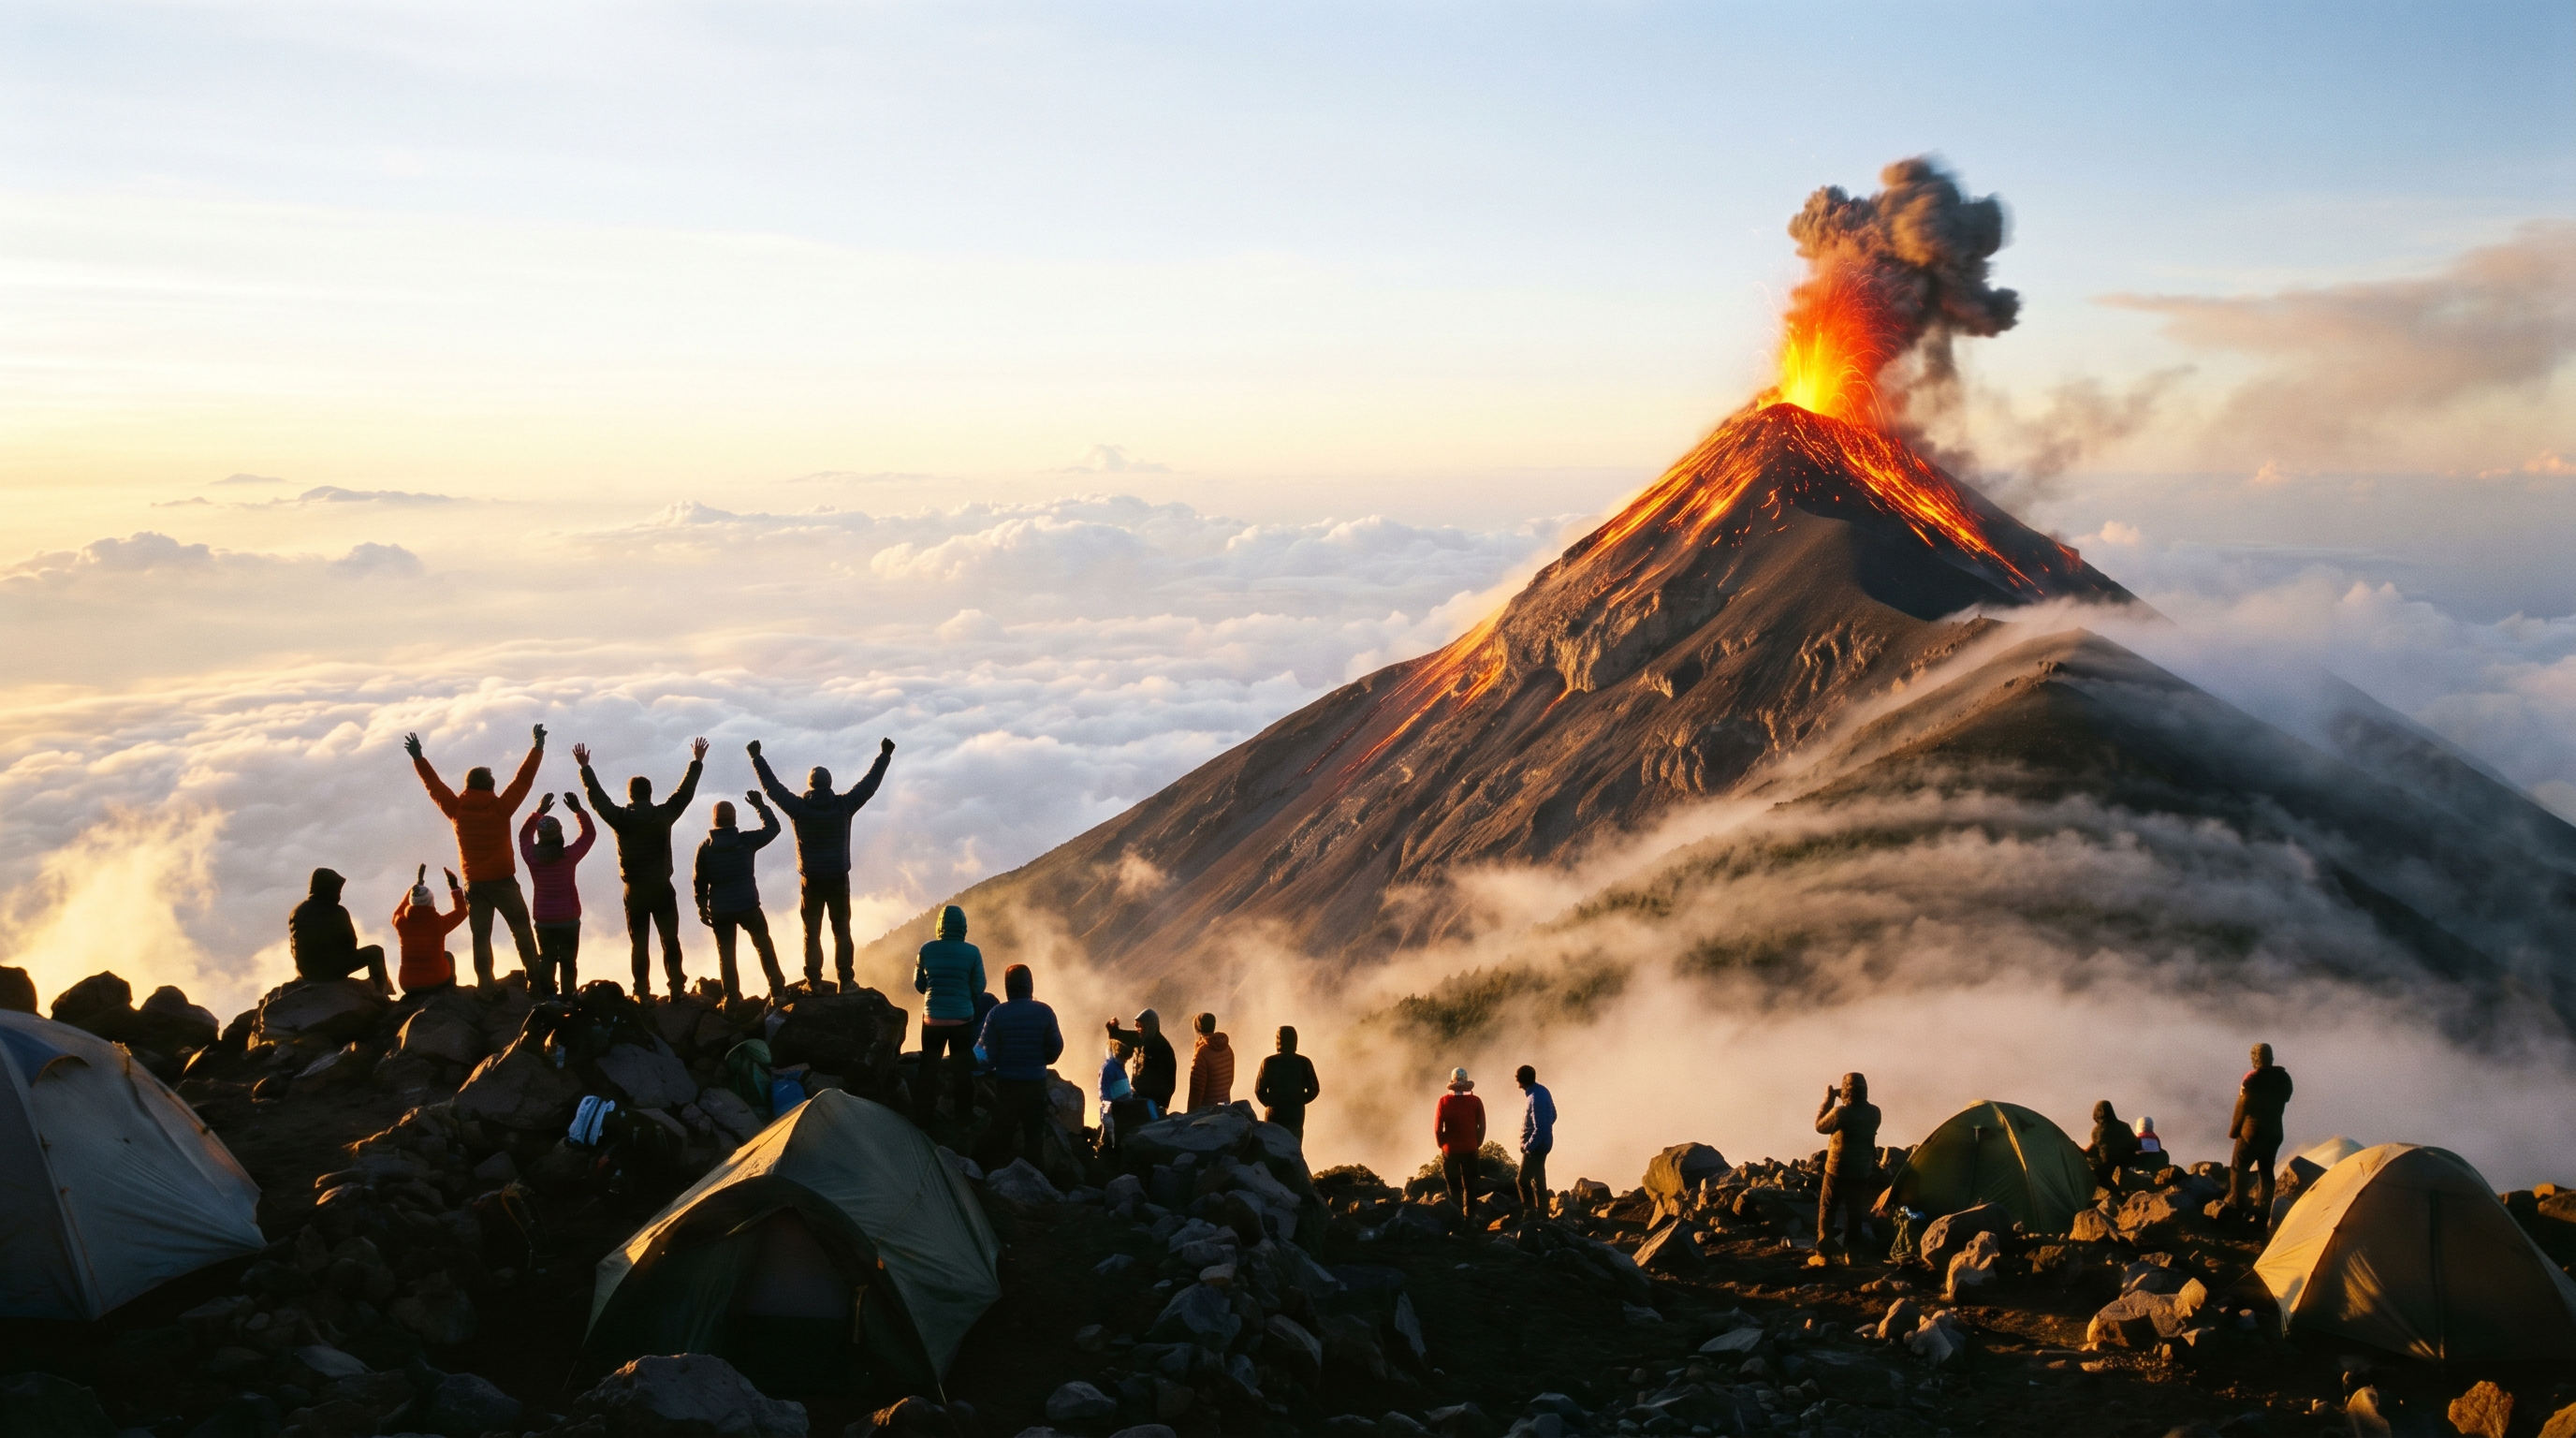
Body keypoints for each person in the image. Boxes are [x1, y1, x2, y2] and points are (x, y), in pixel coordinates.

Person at [749, 737, 895, 990]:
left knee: (812, 933)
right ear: (829, 784)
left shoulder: (798, 808)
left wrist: (756, 757)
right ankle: (846, 980)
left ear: (810, 785)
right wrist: (884, 755)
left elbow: (772, 788)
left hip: (811, 882)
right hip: (839, 879)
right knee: (842, 931)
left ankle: (813, 981)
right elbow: (870, 785)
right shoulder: (844, 805)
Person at [406, 725, 547, 987]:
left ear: (468, 786)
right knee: (522, 930)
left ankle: (485, 986)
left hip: (475, 884)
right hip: (504, 882)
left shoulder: (457, 808)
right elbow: (523, 780)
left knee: (480, 937)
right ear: (491, 786)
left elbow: (433, 786)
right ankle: (535, 980)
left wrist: (418, 758)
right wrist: (538, 747)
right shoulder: (501, 808)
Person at [577, 738, 707, 999]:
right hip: (661, 887)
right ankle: (677, 989)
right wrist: (696, 761)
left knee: (639, 944)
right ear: (650, 793)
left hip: (634, 890)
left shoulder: (620, 819)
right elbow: (684, 794)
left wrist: (585, 769)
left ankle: (641, 992)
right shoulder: (662, 816)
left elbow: (597, 799)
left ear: (631, 795)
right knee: (670, 940)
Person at [692, 795, 785, 1003]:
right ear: (734, 819)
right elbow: (773, 828)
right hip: (748, 905)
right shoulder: (746, 840)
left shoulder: (705, 848)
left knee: (726, 956)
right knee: (763, 944)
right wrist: (760, 806)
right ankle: (778, 990)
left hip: (720, 910)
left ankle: (731, 1000)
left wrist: (701, 906)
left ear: (714, 820)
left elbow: (700, 882)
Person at [977, 963, 1065, 1167]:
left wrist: (973, 1064)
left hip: (1006, 1084)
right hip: (1036, 1083)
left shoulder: (996, 1014)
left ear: (1008, 986)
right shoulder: (1045, 1012)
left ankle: (998, 1177)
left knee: (1003, 1133)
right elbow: (1056, 1047)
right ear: (1030, 985)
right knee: (1034, 1136)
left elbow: (985, 1053)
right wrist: (1042, 1060)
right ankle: (1037, 1179)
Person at [519, 792, 596, 998]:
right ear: (559, 835)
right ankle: (569, 997)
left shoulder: (531, 857)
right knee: (569, 961)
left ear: (540, 836)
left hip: (543, 919)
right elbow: (589, 834)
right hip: (569, 918)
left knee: (547, 959)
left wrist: (539, 812)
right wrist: (578, 810)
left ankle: (549, 997)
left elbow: (523, 835)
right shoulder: (568, 856)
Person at [913, 904, 986, 1123]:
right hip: (962, 1019)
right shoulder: (972, 952)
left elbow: (919, 984)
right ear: (963, 927)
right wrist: (966, 1000)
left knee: (929, 1070)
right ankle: (963, 1123)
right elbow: (979, 985)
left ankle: (923, 1121)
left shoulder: (927, 949)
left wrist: (935, 994)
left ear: (940, 926)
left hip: (932, 1018)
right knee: (962, 1073)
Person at [1813, 1072, 1882, 1264]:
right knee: (1855, 1211)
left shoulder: (1841, 1113)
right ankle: (1852, 1253)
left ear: (1845, 1091)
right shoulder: (1875, 1112)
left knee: (1828, 1208)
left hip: (1837, 1169)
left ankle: (1824, 1253)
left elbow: (1820, 1126)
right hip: (1862, 1169)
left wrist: (1828, 1100)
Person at [2228, 1042, 2295, 1227]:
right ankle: (2262, 1216)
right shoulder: (2284, 1078)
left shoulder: (2251, 1080)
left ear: (2255, 1059)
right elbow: (2287, 1097)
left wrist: (2234, 1131)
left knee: (2238, 1169)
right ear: (2271, 1057)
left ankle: (2237, 1208)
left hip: (2251, 1133)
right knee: (2266, 1172)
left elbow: (2242, 1107)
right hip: (2274, 1132)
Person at [291, 867, 390, 991]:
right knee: (375, 951)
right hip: (332, 973)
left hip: (306, 971)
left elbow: (293, 947)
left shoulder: (297, 911)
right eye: (337, 890)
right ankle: (380, 990)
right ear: (329, 889)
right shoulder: (338, 912)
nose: (339, 894)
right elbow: (350, 943)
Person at [390, 864, 468, 994]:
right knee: (448, 956)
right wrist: (454, 886)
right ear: (431, 901)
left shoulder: (401, 923)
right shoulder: (439, 924)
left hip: (407, 985)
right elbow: (462, 912)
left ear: (411, 902)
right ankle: (451, 993)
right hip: (436, 982)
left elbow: (397, 913)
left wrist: (416, 886)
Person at [1435, 1067, 1486, 1222]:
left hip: (1450, 1150)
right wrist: (1477, 1143)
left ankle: (1456, 1217)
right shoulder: (1476, 1101)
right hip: (1470, 1149)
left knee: (1454, 1185)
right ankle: (1470, 1219)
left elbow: (1438, 1128)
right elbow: (1482, 1126)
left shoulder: (1443, 1101)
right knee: (1470, 1186)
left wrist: (1441, 1144)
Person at [1105, 1008, 1178, 1117]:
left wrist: (1161, 1105)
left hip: (1154, 1102)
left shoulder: (1163, 1049)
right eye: (1137, 1026)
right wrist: (1113, 1028)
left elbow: (1169, 1082)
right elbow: (1121, 1036)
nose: (1138, 1029)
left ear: (1150, 1026)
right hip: (1137, 1096)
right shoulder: (1141, 1038)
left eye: (1141, 1026)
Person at [1253, 1026, 1320, 1138]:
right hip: (1295, 1111)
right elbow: (1314, 1089)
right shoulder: (1303, 1062)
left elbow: (1260, 1090)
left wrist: (1272, 1102)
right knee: (1294, 1140)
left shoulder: (1269, 1062)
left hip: (1275, 1111)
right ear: (1295, 1040)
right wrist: (1298, 1099)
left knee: (1273, 1142)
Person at [1515, 1064, 1556, 1213]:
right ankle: (1543, 1215)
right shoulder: (1542, 1091)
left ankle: (1530, 1213)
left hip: (1536, 1146)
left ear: (1521, 1080)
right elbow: (1553, 1115)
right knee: (1539, 1180)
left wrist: (1528, 1146)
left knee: (1522, 1180)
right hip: (1544, 1143)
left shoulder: (1534, 1098)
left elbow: (1540, 1128)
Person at [2086, 1099, 2142, 1188]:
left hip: (2108, 1165)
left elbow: (2094, 1149)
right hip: (2128, 1162)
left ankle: (2118, 1193)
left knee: (2097, 1175)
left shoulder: (2097, 1131)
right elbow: (2135, 1144)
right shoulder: (2124, 1126)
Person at [1187, 1011, 1235, 1111]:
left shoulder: (1202, 1053)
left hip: (1207, 1111)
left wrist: (1190, 1115)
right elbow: (1230, 1080)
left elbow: (1196, 1091)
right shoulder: (1227, 1048)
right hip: (1225, 1107)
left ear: (1199, 1029)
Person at [1098, 1036, 1138, 1151]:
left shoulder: (1118, 1067)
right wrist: (1108, 1109)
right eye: (1124, 1056)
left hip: (1122, 1112)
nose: (1125, 1059)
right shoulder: (1108, 1068)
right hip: (1114, 1113)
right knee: (1111, 1144)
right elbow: (1104, 1091)